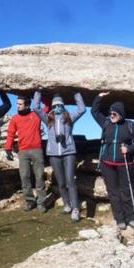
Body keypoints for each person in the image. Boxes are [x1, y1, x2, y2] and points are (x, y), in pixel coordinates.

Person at [91, 92, 134, 230]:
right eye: (110, 113)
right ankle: (120, 219)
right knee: (113, 192)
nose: (111, 115)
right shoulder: (106, 123)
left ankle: (131, 218)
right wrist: (99, 97)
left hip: (124, 163)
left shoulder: (130, 125)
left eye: (114, 113)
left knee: (126, 191)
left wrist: (129, 149)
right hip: (107, 163)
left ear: (121, 113)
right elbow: (94, 111)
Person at [32, 90, 86, 221]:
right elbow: (36, 108)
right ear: (52, 106)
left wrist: (76, 93)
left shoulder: (69, 118)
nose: (57, 108)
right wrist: (38, 91)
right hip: (54, 155)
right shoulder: (48, 119)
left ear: (63, 106)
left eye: (59, 105)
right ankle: (67, 205)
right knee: (61, 182)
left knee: (70, 181)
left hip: (69, 153)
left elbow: (82, 109)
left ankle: (75, 209)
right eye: (55, 106)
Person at [4, 94, 47, 213]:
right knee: (24, 177)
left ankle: (41, 202)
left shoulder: (36, 114)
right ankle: (29, 201)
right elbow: (11, 133)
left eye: (20, 104)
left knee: (39, 177)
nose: (17, 106)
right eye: (17, 104)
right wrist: (8, 148)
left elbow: (47, 106)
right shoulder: (15, 118)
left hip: (37, 150)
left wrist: (38, 93)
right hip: (22, 151)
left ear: (27, 105)